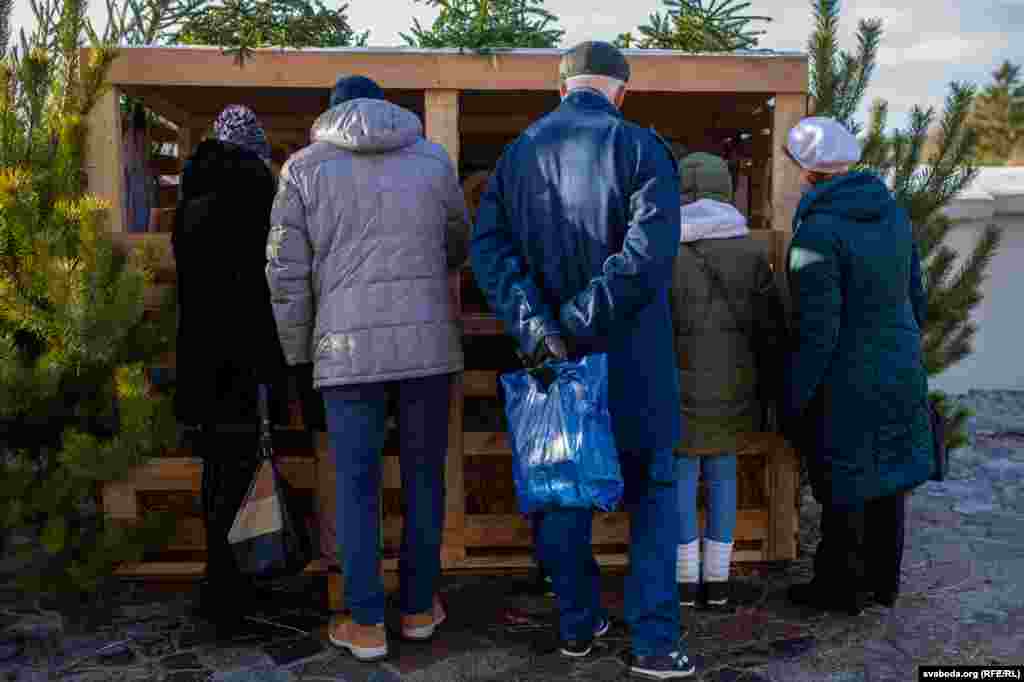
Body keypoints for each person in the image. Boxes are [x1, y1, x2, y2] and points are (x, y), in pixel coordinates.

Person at [470, 41, 695, 678]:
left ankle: (578, 622)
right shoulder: (642, 147)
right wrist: (576, 322)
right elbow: (647, 257)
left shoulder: (516, 155)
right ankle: (654, 643)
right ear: (621, 91)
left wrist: (543, 330)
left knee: (559, 492)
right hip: (633, 361)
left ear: (561, 87)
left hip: (552, 363)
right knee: (653, 494)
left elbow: (490, 254)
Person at [266, 75, 470, 662]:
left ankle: (364, 623)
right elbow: (458, 242)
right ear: (387, 108)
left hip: (345, 353)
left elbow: (284, 273)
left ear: (331, 112)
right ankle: (417, 609)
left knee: (355, 488)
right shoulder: (433, 160)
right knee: (424, 479)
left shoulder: (302, 169)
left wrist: (299, 354)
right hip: (428, 348)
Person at [781, 117, 933, 616]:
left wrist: (793, 397)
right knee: (889, 479)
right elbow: (916, 297)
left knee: (843, 482)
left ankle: (838, 588)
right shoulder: (893, 214)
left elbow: (816, 331)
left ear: (807, 173)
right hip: (901, 365)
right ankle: (882, 583)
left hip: (847, 377)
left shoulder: (819, 233)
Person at [171, 104, 291, 630]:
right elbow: (271, 282)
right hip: (246, 356)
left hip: (200, 357)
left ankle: (218, 582)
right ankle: (238, 589)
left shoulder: (190, 197)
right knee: (246, 471)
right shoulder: (258, 194)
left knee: (216, 473)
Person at [669, 153, 785, 609]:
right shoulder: (750, 251)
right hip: (735, 385)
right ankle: (717, 582)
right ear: (725, 190)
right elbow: (770, 325)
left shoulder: (665, 249)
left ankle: (682, 581)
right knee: (722, 474)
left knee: (681, 474)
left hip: (678, 386)